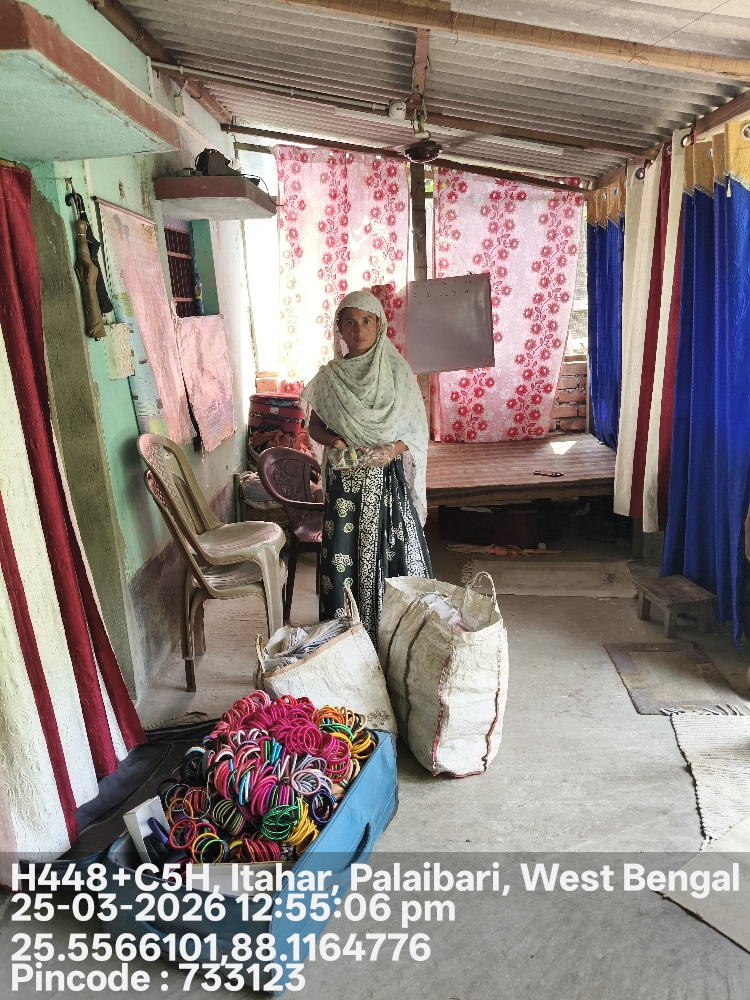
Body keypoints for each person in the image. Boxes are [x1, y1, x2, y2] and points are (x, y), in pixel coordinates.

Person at [301, 289, 432, 645]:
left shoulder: (397, 372)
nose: (358, 330)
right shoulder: (330, 378)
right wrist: (336, 442)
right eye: (350, 322)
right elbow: (315, 426)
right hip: (345, 485)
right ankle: (347, 640)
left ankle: (393, 637)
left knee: (391, 554)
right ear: (339, 329)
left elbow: (415, 430)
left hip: (386, 481)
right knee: (345, 556)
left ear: (379, 325)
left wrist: (393, 449)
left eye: (366, 321)